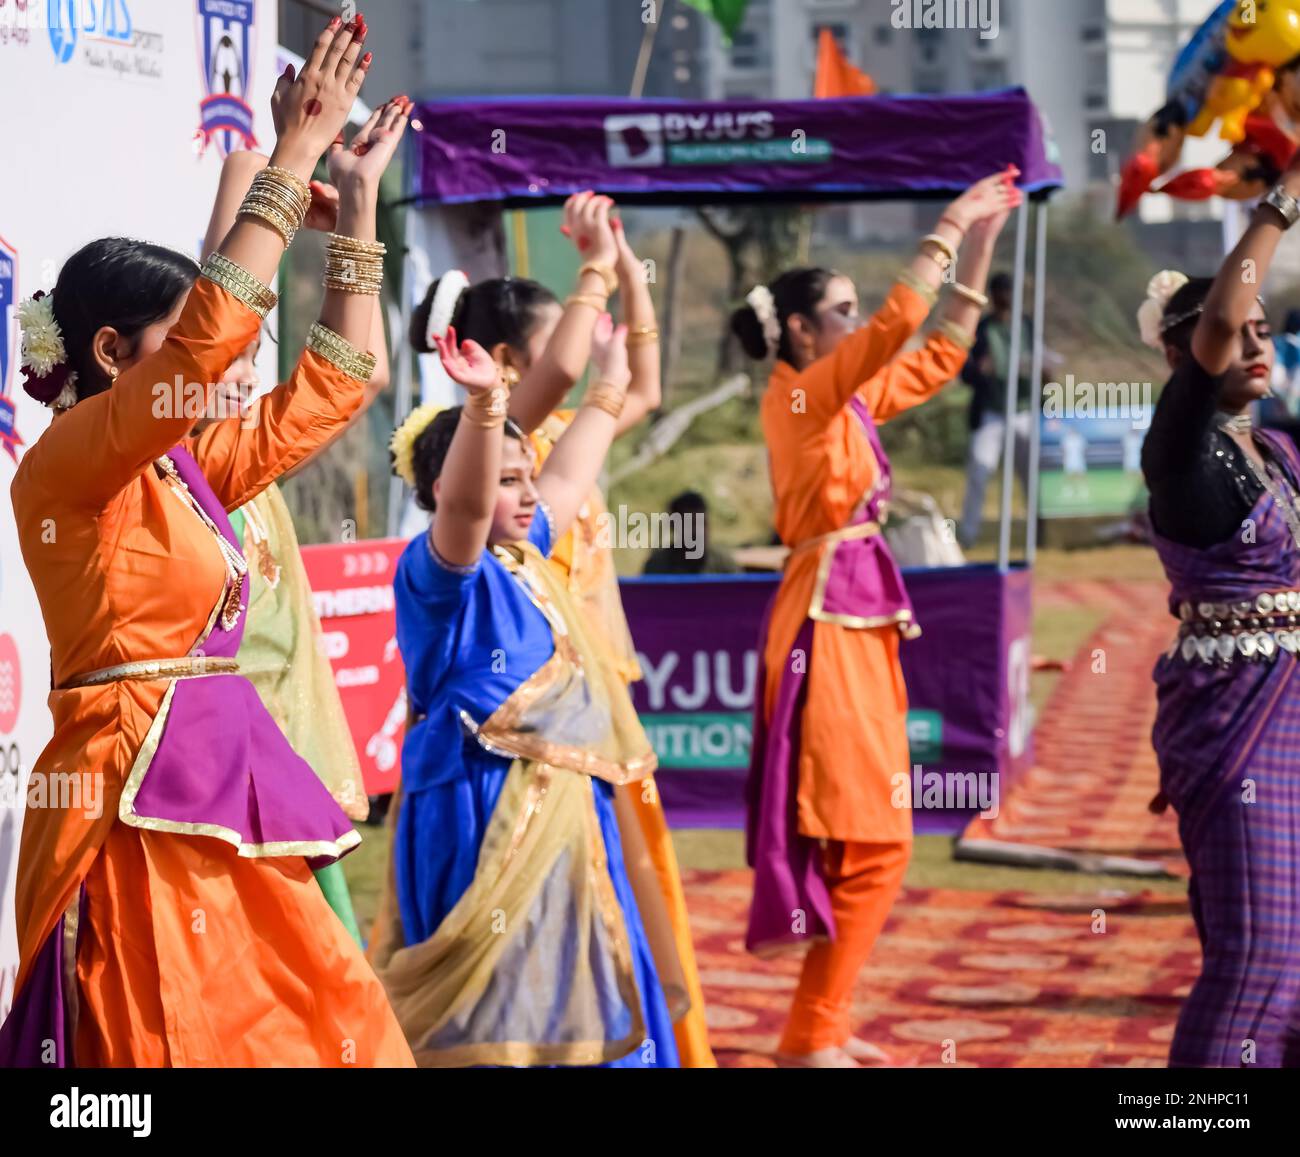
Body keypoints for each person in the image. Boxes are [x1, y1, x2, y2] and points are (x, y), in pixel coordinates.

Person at [0, 17, 414, 1067]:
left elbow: (333, 388)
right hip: (128, 812)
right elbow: (208, 341)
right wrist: (289, 156)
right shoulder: (69, 466)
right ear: (106, 351)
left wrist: (355, 212)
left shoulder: (180, 465)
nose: (221, 363)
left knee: (319, 1029)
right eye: (173, 336)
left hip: (215, 793)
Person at [403, 195, 716, 1067]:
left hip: (568, 790)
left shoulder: (531, 544)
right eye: (509, 478)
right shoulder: (441, 571)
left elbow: (575, 458)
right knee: (511, 1003)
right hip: (482, 798)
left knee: (591, 971)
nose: (528, 488)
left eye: (526, 474)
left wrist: (616, 341)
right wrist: (482, 412)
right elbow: (468, 501)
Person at [733, 168, 1018, 1068]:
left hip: (855, 622)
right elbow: (901, 327)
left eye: (856, 309)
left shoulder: (842, 399)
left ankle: (819, 1028)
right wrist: (945, 223)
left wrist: (979, 247)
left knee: (870, 842)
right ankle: (811, 1034)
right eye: (844, 311)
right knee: (875, 839)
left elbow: (935, 356)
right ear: (808, 332)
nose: (860, 323)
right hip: (825, 630)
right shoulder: (802, 399)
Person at [190, 138, 404, 945]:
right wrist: (276, 167)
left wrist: (354, 208)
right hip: (210, 778)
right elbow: (210, 314)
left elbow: (361, 374)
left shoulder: (247, 464)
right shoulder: (178, 468)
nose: (241, 371)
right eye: (226, 362)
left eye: (251, 359)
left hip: (278, 765)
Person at [1138, 159, 1300, 1069]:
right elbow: (1222, 321)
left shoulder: (1278, 451)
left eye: (1268, 334)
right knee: (1256, 954)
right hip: (1234, 718)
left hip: (1293, 704)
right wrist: (1282, 200)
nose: (1255, 345)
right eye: (1235, 335)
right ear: (1180, 356)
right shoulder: (1178, 449)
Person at [957, 271, 1033, 548]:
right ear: (994, 296)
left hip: (1023, 411)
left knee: (1029, 475)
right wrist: (979, 370)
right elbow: (965, 372)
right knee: (980, 469)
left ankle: (1035, 531)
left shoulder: (1026, 326)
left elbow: (1041, 362)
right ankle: (968, 533)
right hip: (991, 413)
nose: (1007, 299)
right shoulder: (982, 328)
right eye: (1002, 293)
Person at [642, 490, 740, 575]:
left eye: (702, 523)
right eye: (690, 524)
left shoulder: (725, 566)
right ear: (674, 526)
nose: (697, 531)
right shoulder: (658, 565)